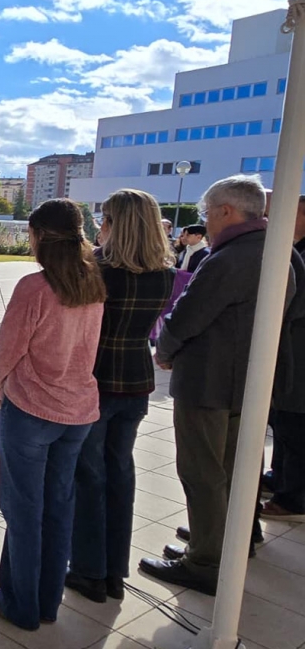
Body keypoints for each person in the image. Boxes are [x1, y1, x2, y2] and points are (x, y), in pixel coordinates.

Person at [142, 175, 295, 595]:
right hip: (248, 382)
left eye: (206, 213)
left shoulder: (229, 258)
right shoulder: (277, 251)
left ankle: (206, 560)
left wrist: (164, 350)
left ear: (227, 211)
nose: (204, 222)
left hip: (209, 385)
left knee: (203, 472)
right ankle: (232, 539)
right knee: (235, 469)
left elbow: (188, 315)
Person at [0, 198, 106, 631]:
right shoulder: (92, 283)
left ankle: (19, 603)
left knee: (23, 508)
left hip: (33, 410)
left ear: (39, 236)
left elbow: (7, 348)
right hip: (78, 410)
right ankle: (47, 602)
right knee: (57, 505)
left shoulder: (35, 287)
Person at [66, 190, 176, 603]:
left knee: (90, 475)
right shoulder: (163, 273)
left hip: (97, 379)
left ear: (116, 223)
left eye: (104, 218)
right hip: (135, 378)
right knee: (120, 472)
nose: (98, 224)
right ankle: (114, 571)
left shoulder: (98, 270)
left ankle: (90, 570)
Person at [266, 195, 305, 523]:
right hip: (289, 353)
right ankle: (279, 477)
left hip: (299, 355)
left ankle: (293, 497)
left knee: (295, 428)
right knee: (282, 423)